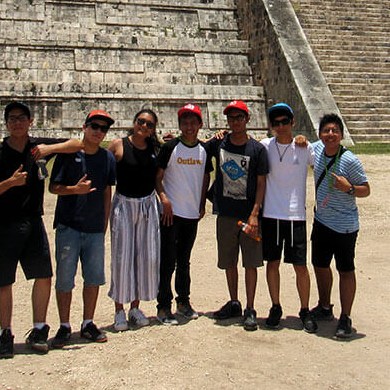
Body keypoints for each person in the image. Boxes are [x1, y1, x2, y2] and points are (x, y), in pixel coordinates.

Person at [0, 102, 75, 357]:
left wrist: (50, 149)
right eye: (12, 118)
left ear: (31, 121)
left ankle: (39, 328)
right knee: (3, 281)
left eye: (22, 118)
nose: (17, 122)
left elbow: (76, 143)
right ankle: (5, 332)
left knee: (43, 276)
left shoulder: (37, 147)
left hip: (33, 220)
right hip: (5, 222)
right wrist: (9, 183)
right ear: (6, 123)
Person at [35, 110, 117, 346]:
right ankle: (64, 325)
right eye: (94, 126)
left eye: (103, 128)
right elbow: (54, 187)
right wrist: (75, 190)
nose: (98, 132)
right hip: (69, 225)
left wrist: (105, 222)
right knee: (65, 279)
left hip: (94, 227)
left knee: (93, 278)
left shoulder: (107, 158)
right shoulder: (69, 155)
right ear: (84, 127)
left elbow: (107, 192)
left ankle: (88, 322)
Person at [205, 100, 269, 331]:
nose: (235, 122)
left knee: (251, 263)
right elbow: (197, 147)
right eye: (231, 118)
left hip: (248, 215)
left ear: (247, 119)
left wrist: (255, 214)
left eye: (239, 117)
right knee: (229, 262)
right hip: (226, 213)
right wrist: (173, 140)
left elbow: (261, 184)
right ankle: (234, 302)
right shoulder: (219, 143)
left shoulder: (257, 150)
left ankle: (250, 307)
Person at [309, 113, 369, 340]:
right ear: (320, 135)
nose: (330, 134)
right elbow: (298, 144)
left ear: (342, 135)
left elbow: (366, 189)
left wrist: (349, 188)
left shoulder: (349, 160)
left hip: (344, 226)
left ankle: (345, 316)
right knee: (320, 265)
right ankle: (325, 306)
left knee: (345, 270)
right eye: (326, 130)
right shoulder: (316, 150)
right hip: (322, 221)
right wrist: (300, 140)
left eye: (335, 131)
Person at [260, 103, 316, 332]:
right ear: (271, 125)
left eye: (285, 121)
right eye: (276, 123)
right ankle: (275, 306)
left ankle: (305, 309)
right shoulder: (265, 146)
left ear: (293, 122)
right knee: (272, 263)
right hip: (271, 214)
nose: (281, 126)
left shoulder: (305, 147)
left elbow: (325, 159)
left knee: (300, 265)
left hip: (295, 215)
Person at [154, 103, 212, 324]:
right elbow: (157, 177)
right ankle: (163, 305)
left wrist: (201, 203)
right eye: (185, 123)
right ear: (179, 125)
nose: (189, 127)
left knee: (184, 261)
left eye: (193, 123)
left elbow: (206, 176)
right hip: (171, 213)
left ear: (200, 124)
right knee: (167, 261)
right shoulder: (170, 147)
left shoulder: (204, 150)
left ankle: (183, 301)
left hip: (191, 213)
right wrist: (164, 199)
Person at [107, 108, 162, 331]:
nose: (144, 126)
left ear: (153, 129)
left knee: (145, 258)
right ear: (134, 122)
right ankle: (119, 309)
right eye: (141, 121)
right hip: (124, 205)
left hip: (147, 205)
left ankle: (135, 308)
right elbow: (101, 167)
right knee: (122, 258)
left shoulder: (155, 149)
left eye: (149, 124)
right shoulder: (118, 145)